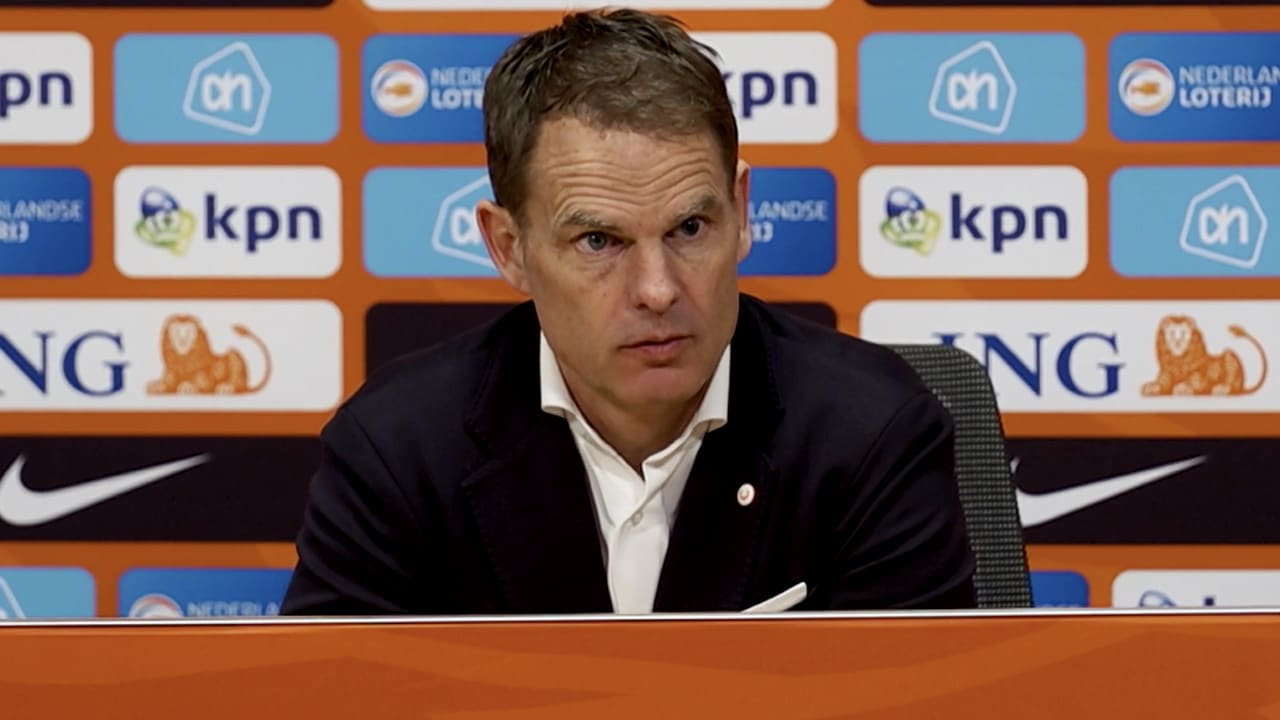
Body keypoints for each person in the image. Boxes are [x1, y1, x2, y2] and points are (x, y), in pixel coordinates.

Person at [281, 7, 976, 615]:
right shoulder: (398, 450)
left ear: (741, 213)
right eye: (599, 241)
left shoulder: (871, 434)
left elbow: (919, 698)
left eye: (690, 229)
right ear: (508, 248)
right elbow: (324, 694)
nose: (658, 290)